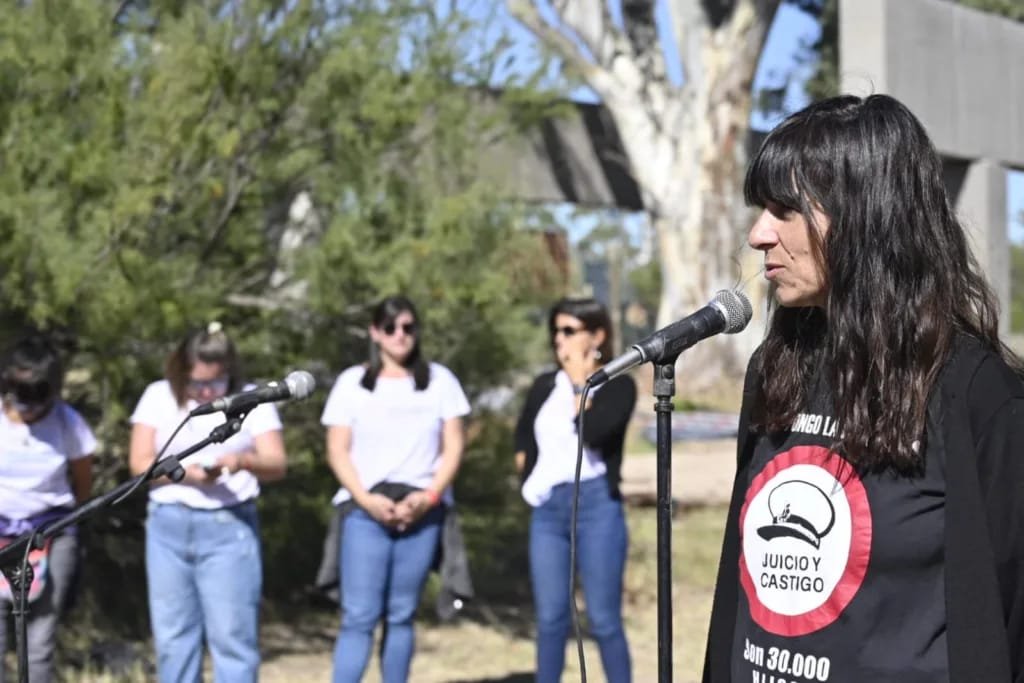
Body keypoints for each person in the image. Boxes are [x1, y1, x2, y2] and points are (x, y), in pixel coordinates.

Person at [702, 93, 1024, 682]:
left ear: (864, 215)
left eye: (784, 209)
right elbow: (736, 585)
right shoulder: (776, 367)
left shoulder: (975, 392)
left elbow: (1006, 620)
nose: (757, 234)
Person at [322, 295, 470, 683]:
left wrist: (429, 496)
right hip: (364, 510)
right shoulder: (351, 384)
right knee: (359, 616)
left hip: (422, 509)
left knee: (402, 614)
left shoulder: (440, 381)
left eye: (407, 327)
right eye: (390, 328)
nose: (399, 335)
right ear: (375, 332)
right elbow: (337, 450)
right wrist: (366, 500)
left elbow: (454, 445)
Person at [129, 322, 287, 683]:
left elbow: (277, 463)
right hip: (168, 525)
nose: (204, 392)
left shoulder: (252, 399)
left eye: (214, 384)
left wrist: (241, 461)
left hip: (229, 528)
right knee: (174, 640)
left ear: (229, 374)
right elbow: (139, 464)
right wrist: (183, 473)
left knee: (232, 638)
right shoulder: (158, 396)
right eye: (195, 383)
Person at [514, 297, 636, 683]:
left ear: (596, 335)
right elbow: (522, 438)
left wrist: (579, 382)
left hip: (597, 504)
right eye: (556, 331)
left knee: (603, 620)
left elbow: (597, 432)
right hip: (548, 508)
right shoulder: (542, 386)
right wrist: (527, 475)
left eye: (568, 331)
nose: (559, 340)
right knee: (550, 618)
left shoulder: (618, 386)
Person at [0, 335, 95, 683]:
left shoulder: (68, 423)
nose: (27, 407)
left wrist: (72, 521)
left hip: (50, 532)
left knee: (38, 637)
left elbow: (83, 479)